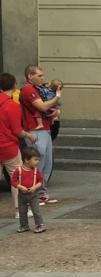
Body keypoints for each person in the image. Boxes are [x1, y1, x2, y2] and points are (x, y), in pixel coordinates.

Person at [20, 65, 61, 205]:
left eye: (42, 75)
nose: (42, 78)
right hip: (35, 129)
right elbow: (42, 107)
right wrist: (57, 98)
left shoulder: (38, 89)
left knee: (47, 161)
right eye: (39, 75)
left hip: (45, 128)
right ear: (30, 76)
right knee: (38, 160)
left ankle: (42, 193)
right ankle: (34, 193)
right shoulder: (28, 89)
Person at [0, 73, 34, 218]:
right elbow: (17, 131)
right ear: (14, 86)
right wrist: (29, 135)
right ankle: (19, 210)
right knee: (17, 178)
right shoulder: (12, 105)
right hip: (8, 146)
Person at [12, 147, 45, 233]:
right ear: (27, 160)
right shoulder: (18, 170)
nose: (37, 162)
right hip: (22, 194)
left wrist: (34, 187)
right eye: (35, 159)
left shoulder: (36, 171)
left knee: (36, 210)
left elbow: (40, 181)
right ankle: (24, 225)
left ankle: (39, 225)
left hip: (33, 194)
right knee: (22, 211)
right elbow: (13, 181)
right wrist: (20, 187)